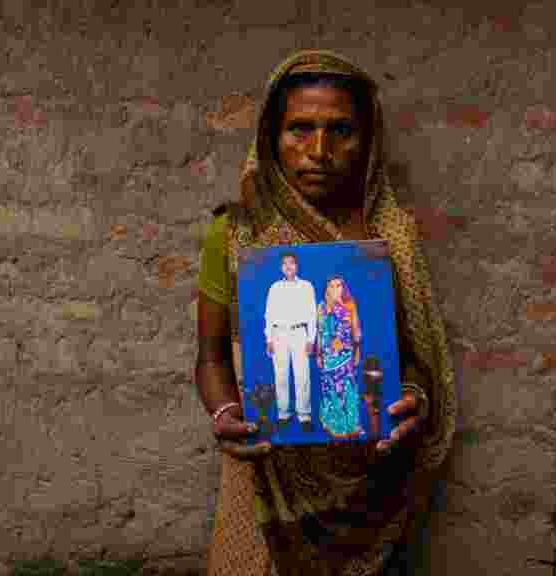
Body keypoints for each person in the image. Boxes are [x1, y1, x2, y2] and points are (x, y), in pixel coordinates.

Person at [195, 50, 456, 576]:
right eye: (300, 129)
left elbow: (414, 358)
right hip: (265, 476)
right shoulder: (238, 234)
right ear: (272, 136)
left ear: (369, 140)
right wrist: (226, 415)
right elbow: (211, 360)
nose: (319, 150)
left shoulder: (392, 238)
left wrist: (413, 400)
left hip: (370, 479)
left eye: (341, 130)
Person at [263, 252, 318, 431]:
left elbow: (312, 314)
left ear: (297, 266)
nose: (288, 267)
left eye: (292, 263)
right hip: (279, 333)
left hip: (299, 333)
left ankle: (304, 415)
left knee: (302, 374)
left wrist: (311, 338)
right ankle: (283, 413)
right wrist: (269, 338)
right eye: (285, 264)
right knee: (281, 375)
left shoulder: (306, 286)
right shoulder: (274, 287)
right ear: (281, 267)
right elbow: (269, 314)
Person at [316, 275, 364, 439]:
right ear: (327, 289)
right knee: (329, 389)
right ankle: (331, 424)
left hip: (345, 355)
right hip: (328, 357)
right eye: (332, 286)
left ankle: (350, 425)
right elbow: (319, 333)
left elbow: (356, 332)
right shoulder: (321, 307)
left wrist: (358, 352)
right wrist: (318, 355)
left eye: (339, 285)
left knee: (347, 388)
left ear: (343, 288)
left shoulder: (350, 305)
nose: (336, 289)